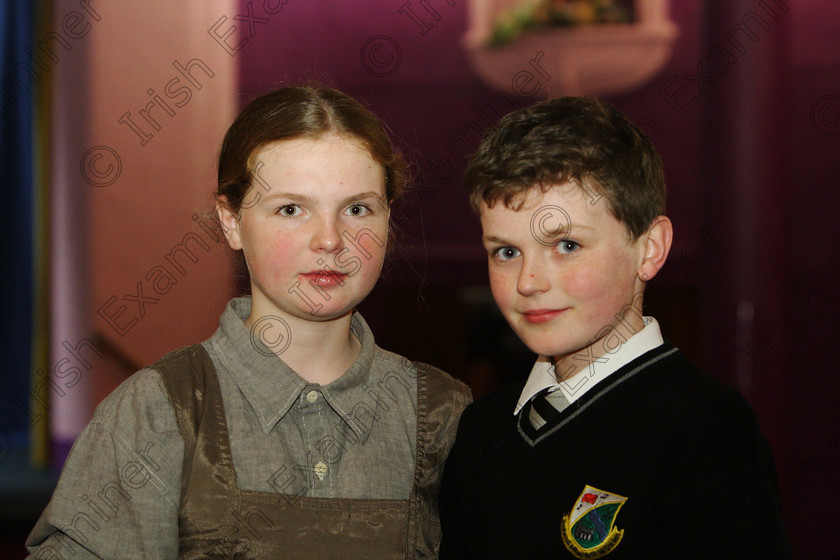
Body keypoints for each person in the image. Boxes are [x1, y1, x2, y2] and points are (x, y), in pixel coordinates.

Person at [27, 86, 471, 559]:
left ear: (388, 219)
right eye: (290, 209)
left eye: (357, 209)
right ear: (231, 221)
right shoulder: (161, 410)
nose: (330, 239)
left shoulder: (444, 414)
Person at [438, 97, 790, 559]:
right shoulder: (482, 429)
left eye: (566, 244)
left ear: (649, 249)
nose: (528, 282)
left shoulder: (705, 428)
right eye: (506, 251)